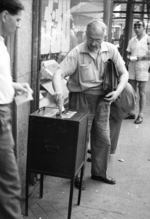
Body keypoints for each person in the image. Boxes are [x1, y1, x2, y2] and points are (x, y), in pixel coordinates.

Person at [52, 20, 128, 188]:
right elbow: (59, 73)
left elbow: (124, 73)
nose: (94, 43)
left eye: (98, 39)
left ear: (105, 37)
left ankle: (99, 172)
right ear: (86, 35)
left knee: (103, 137)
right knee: (80, 138)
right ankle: (76, 175)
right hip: (81, 99)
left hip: (103, 100)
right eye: (91, 38)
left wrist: (117, 92)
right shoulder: (77, 52)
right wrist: (58, 90)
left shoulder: (111, 50)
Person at [0, 0, 32, 219]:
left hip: (1, 112)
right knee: (9, 185)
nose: (18, 26)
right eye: (17, 20)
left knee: (4, 183)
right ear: (5, 15)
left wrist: (13, 85)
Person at [126, 21, 150, 124]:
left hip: (143, 68)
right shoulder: (132, 41)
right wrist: (129, 58)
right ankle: (131, 112)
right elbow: (127, 54)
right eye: (135, 26)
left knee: (142, 92)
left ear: (143, 27)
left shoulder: (148, 39)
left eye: (139, 26)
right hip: (132, 68)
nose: (136, 28)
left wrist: (140, 58)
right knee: (132, 92)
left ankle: (140, 114)